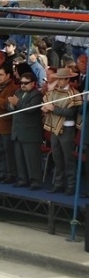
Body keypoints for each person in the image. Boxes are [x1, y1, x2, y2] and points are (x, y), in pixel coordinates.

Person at [42, 67, 82, 195]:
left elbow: (71, 113)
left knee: (68, 159)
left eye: (60, 79)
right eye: (57, 79)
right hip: (55, 128)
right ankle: (58, 183)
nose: (58, 82)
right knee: (57, 157)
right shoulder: (54, 92)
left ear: (67, 80)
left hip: (67, 129)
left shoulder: (74, 94)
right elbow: (47, 100)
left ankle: (71, 185)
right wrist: (46, 108)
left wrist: (53, 109)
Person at [7, 73, 44, 190]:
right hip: (17, 131)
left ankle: (35, 181)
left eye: (26, 83)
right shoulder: (18, 92)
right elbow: (9, 106)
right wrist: (12, 105)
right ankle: (22, 179)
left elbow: (31, 109)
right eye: (21, 83)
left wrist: (16, 103)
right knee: (19, 158)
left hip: (30, 133)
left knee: (32, 159)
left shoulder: (37, 94)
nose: (22, 85)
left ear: (33, 83)